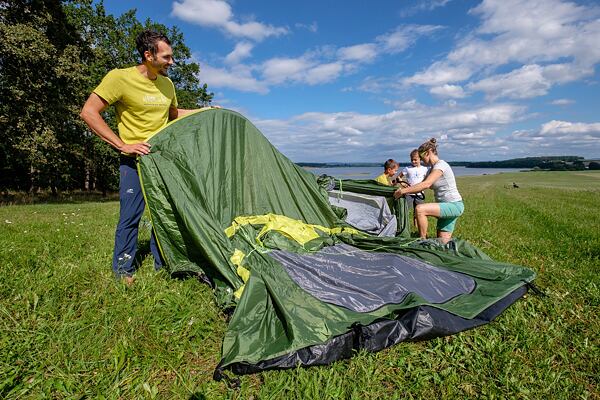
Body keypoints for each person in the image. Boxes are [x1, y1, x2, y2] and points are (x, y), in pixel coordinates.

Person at [80, 30, 201, 284]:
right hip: (134, 161)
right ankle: (123, 270)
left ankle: (164, 265)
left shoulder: (167, 84)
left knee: (165, 214)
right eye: (166, 57)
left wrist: (204, 111)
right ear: (148, 55)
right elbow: (89, 112)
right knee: (130, 216)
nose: (172, 62)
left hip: (163, 160)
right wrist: (122, 145)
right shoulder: (119, 78)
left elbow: (172, 115)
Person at [394, 138, 464, 244]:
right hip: (445, 206)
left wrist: (403, 192)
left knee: (420, 209)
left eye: (421, 158)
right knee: (442, 244)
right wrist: (402, 183)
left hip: (454, 205)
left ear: (427, 153)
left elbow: (426, 185)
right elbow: (418, 185)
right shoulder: (431, 169)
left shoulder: (441, 165)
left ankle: (422, 241)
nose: (421, 161)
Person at [398, 149, 429, 228]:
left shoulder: (425, 169)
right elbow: (399, 177)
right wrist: (402, 183)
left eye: (415, 160)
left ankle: (416, 226)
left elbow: (428, 179)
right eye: (412, 160)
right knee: (406, 209)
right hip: (409, 193)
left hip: (420, 194)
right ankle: (404, 225)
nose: (413, 161)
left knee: (419, 211)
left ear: (420, 159)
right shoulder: (407, 168)